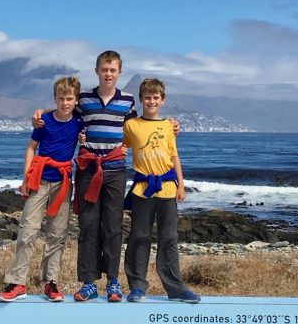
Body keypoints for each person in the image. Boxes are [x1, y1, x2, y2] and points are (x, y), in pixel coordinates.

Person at [33, 50, 136, 302]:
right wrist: (40, 112)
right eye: (104, 69)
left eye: (112, 70)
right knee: (88, 226)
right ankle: (89, 282)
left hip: (115, 170)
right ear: (97, 71)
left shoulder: (128, 101)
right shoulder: (85, 99)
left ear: (119, 72)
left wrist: (170, 125)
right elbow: (64, 107)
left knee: (112, 227)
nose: (108, 74)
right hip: (88, 170)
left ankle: (113, 282)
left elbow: (138, 127)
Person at [0, 76, 83, 303]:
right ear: (55, 99)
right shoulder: (44, 121)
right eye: (61, 98)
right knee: (28, 230)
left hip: (63, 183)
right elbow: (31, 148)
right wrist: (26, 178)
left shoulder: (79, 121)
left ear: (76, 100)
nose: (65, 103)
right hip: (40, 180)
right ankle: (17, 282)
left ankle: (51, 282)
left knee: (57, 234)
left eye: (69, 99)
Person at [122, 78, 201, 304]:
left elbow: (174, 156)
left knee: (169, 239)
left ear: (162, 100)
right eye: (147, 97)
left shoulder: (168, 126)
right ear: (141, 99)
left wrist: (181, 185)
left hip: (167, 190)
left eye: (156, 97)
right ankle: (137, 287)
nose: (151, 101)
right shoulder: (131, 125)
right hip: (142, 191)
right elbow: (119, 145)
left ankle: (175, 288)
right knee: (139, 237)